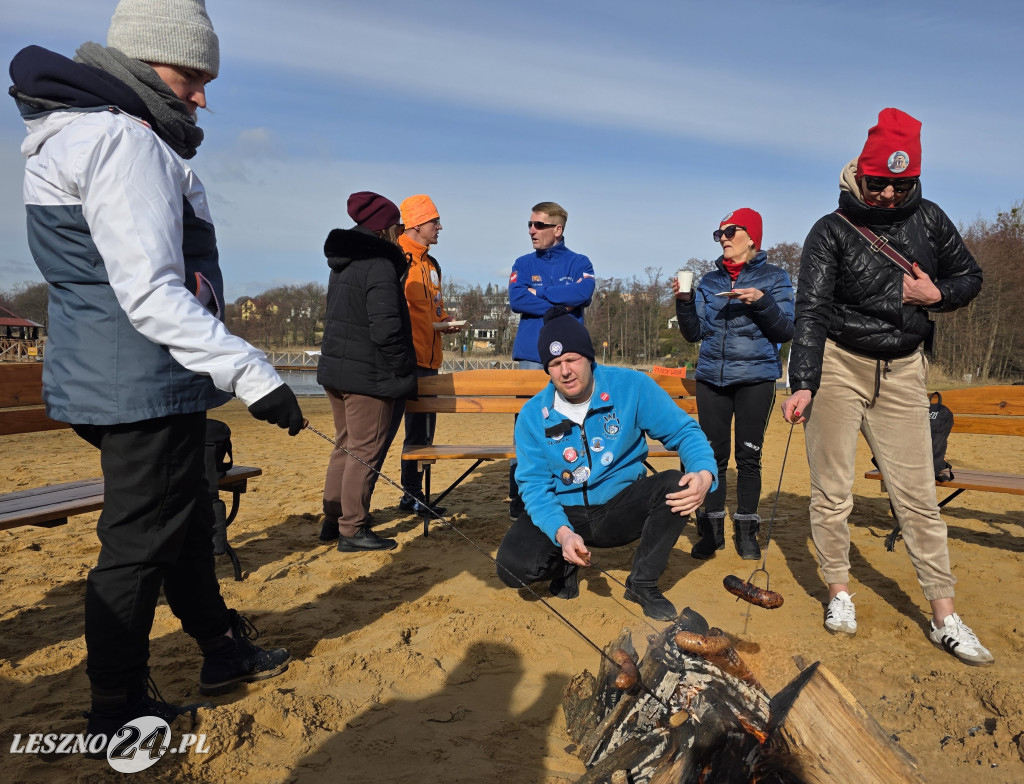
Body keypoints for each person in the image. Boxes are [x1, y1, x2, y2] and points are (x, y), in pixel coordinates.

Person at [8, 0, 301, 746]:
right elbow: (150, 292)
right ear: (138, 62)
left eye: (207, 81)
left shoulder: (80, 132)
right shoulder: (121, 139)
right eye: (189, 76)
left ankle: (221, 647)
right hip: (141, 384)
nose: (201, 97)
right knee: (140, 543)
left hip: (117, 377)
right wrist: (254, 374)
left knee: (187, 517)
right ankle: (117, 706)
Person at [781, 108, 992, 665]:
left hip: (903, 370)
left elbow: (969, 276)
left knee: (918, 496)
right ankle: (839, 591)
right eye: (879, 184)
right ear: (861, 173)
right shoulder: (830, 230)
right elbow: (811, 310)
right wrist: (803, 382)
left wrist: (936, 296)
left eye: (902, 185)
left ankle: (944, 616)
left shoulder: (931, 218)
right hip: (839, 365)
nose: (890, 196)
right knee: (833, 491)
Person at [495, 309, 717, 620]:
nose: (565, 371)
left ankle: (642, 582)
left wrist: (704, 471)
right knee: (511, 567)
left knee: (674, 484)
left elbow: (684, 431)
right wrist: (562, 533)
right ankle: (565, 565)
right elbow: (533, 486)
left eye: (572, 359)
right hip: (566, 510)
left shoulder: (631, 386)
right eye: (555, 364)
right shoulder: (533, 415)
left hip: (619, 507)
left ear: (588, 357)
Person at [672, 208, 794, 560]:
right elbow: (693, 333)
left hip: (756, 379)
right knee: (712, 456)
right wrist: (684, 302)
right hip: (712, 378)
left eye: (730, 231)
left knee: (749, 456)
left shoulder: (775, 277)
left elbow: (786, 330)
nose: (723, 238)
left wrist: (761, 301)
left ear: (752, 237)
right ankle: (711, 533)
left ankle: (746, 532)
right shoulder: (709, 281)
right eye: (719, 234)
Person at [317, 192, 418, 551]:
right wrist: (403, 368)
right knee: (364, 451)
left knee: (345, 445)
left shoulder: (343, 264)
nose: (400, 232)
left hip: (337, 370)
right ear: (384, 228)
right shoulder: (379, 265)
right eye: (398, 227)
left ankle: (333, 520)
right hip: (368, 377)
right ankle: (352, 528)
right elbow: (386, 328)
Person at [507, 202, 595, 521]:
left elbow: (583, 293)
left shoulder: (579, 262)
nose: (532, 230)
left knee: (571, 422)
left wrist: (540, 291)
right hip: (532, 355)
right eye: (530, 225)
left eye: (539, 225)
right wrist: (560, 299)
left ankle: (571, 492)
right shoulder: (522, 262)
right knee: (529, 426)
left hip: (568, 356)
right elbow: (517, 299)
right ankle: (521, 497)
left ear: (557, 229)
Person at [394, 194, 462, 516]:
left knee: (422, 434)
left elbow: (432, 309)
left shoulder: (432, 265)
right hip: (404, 361)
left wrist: (445, 321)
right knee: (387, 434)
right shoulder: (396, 259)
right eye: (435, 221)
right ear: (418, 224)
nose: (440, 227)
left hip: (430, 361)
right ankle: (362, 506)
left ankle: (412, 495)